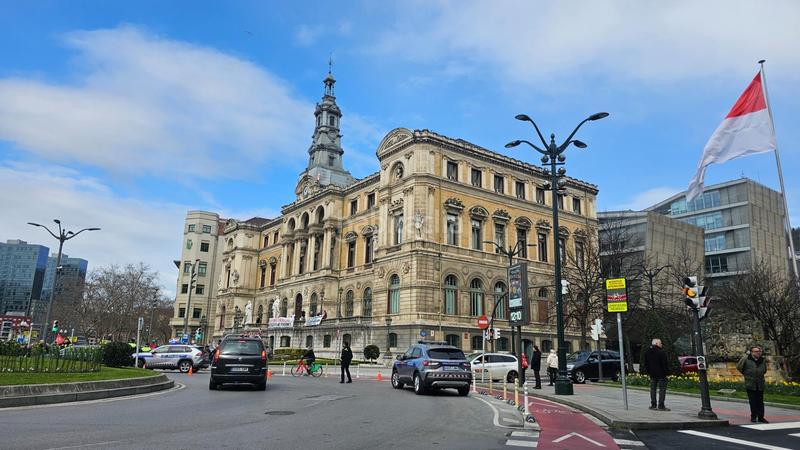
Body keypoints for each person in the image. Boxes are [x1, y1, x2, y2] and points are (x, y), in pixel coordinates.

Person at [737, 345, 768, 423]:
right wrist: (746, 374)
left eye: (759, 351)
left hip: (760, 383)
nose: (758, 353)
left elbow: (764, 370)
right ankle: (753, 416)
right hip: (750, 383)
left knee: (760, 401)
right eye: (756, 351)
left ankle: (761, 417)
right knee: (753, 401)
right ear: (751, 352)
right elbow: (739, 367)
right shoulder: (747, 359)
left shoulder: (762, 360)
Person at [644, 338, 670, 411]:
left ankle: (653, 405)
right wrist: (667, 373)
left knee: (653, 389)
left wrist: (648, 371)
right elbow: (664, 364)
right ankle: (661, 405)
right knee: (662, 389)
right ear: (656, 344)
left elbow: (646, 363)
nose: (661, 344)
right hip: (661, 374)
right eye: (660, 343)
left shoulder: (647, 352)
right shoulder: (661, 352)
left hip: (652, 374)